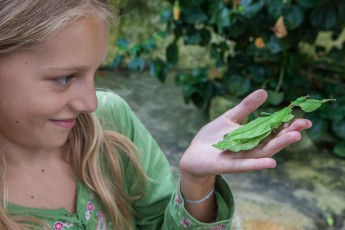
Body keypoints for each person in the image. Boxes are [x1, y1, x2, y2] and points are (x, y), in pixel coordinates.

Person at [0, 1, 312, 229]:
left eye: (96, 71)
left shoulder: (110, 124)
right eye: (65, 78)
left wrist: (197, 183)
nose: (90, 102)